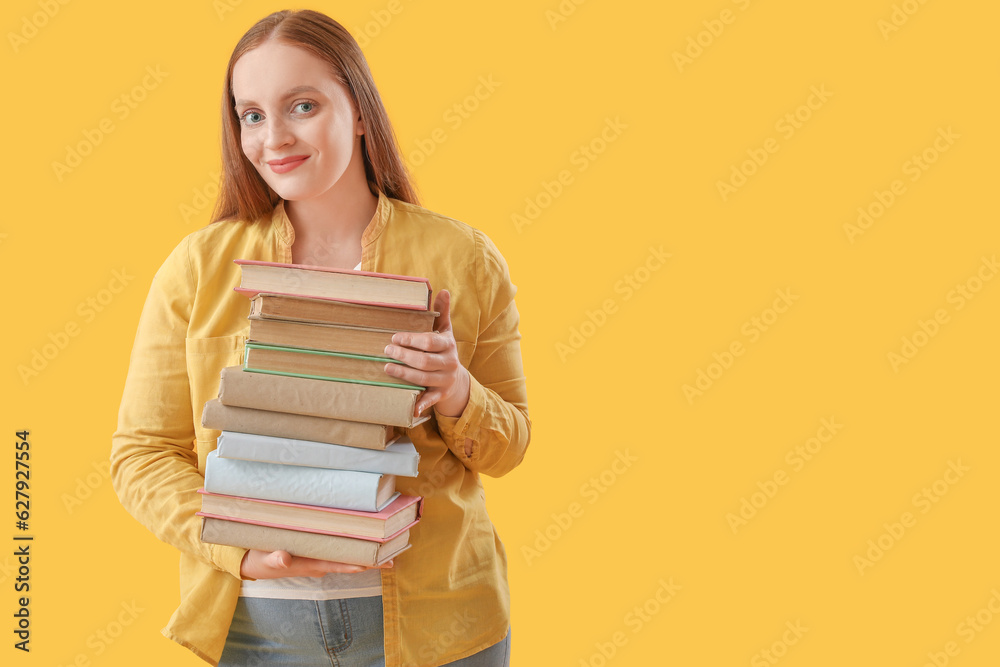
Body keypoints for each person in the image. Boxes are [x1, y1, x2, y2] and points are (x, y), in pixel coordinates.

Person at [109, 9, 529, 667]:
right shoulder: (197, 268)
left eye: (301, 105)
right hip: (260, 634)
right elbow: (142, 452)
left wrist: (456, 391)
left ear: (359, 111)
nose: (273, 137)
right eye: (251, 115)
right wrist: (238, 548)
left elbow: (510, 446)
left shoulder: (464, 258)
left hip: (443, 630)